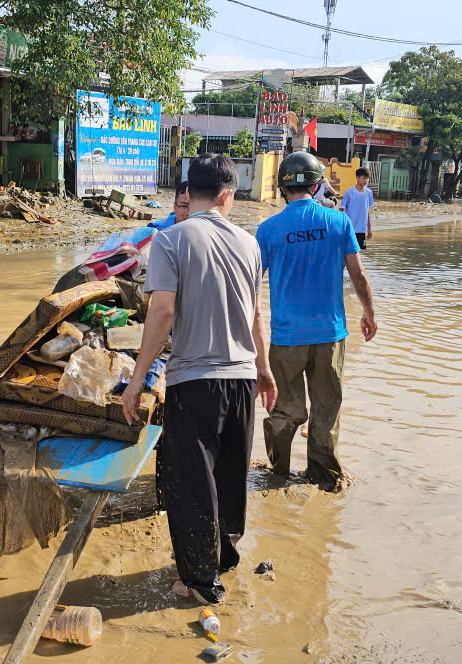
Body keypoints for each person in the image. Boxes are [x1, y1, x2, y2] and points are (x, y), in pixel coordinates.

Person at [121, 153, 277, 605]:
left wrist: (136, 380)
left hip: (194, 379)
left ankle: (200, 582)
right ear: (228, 195)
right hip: (242, 378)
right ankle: (223, 560)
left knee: (192, 481)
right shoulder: (250, 245)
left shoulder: (171, 240)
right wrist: (265, 370)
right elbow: (256, 316)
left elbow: (162, 312)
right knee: (229, 474)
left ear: (189, 193)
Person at [257, 152, 377, 492]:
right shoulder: (338, 222)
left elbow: (250, 285)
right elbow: (358, 274)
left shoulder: (268, 230)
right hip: (330, 335)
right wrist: (369, 313)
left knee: (284, 409)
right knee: (326, 409)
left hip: (286, 339)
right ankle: (323, 478)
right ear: (316, 186)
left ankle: (278, 474)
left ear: (283, 188)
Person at [339, 167, 376, 250]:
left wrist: (369, 229)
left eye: (367, 178)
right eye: (364, 178)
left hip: (362, 230)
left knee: (359, 252)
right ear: (357, 178)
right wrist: (339, 227)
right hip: (349, 228)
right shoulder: (349, 192)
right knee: (348, 251)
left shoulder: (369, 193)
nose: (366, 180)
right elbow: (341, 210)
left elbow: (367, 212)